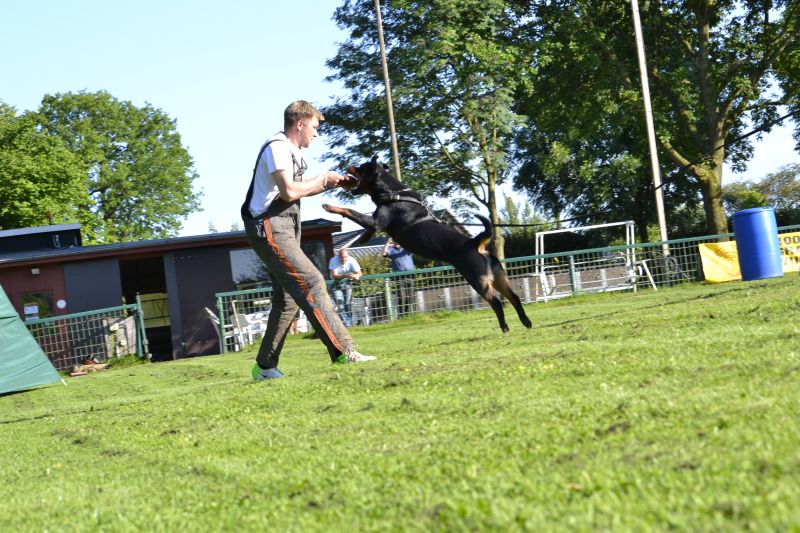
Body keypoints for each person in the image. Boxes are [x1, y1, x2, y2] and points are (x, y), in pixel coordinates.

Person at [241, 100, 376, 381]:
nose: (316, 133)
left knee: (288, 298)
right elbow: (289, 192)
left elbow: (297, 190)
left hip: (283, 226)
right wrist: (322, 178)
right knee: (312, 281)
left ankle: (264, 367)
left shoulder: (293, 153)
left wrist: (329, 183)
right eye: (314, 127)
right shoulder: (278, 147)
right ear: (300, 124)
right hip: (269, 226)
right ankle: (344, 352)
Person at [382, 238, 416, 317]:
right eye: (395, 241)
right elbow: (384, 253)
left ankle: (410, 315)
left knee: (411, 296)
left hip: (410, 275)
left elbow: (415, 246)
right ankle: (401, 316)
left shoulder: (406, 248)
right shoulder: (391, 249)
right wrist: (387, 243)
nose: (397, 243)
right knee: (402, 297)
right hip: (399, 277)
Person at [328, 248, 362, 326]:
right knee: (340, 304)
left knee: (348, 303)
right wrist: (346, 276)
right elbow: (335, 275)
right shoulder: (333, 260)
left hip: (347, 283)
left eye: (345, 257)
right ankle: (347, 324)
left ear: (348, 256)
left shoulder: (352, 260)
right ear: (338, 256)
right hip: (336, 284)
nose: (343, 259)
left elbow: (359, 272)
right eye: (342, 257)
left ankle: (350, 322)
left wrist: (356, 276)